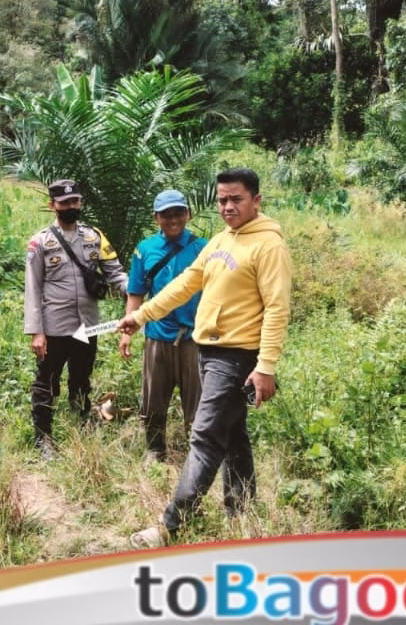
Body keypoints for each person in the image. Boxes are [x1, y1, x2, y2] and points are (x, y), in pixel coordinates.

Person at [118, 168, 292, 546]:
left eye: (236, 199)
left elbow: (277, 309)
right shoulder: (221, 240)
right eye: (222, 200)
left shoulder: (268, 246)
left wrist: (266, 366)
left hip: (237, 355)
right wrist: (141, 315)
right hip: (208, 349)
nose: (228, 207)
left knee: (205, 435)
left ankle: (171, 525)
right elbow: (185, 284)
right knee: (232, 433)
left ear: (256, 201)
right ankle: (242, 511)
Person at [24, 179, 128, 460]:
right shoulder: (40, 242)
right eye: (65, 203)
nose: (71, 207)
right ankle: (43, 438)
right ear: (52, 205)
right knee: (47, 381)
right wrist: (36, 332)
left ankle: (82, 423)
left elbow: (114, 272)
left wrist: (135, 289)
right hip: (54, 326)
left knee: (82, 377)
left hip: (87, 325)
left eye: (75, 201)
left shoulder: (94, 237)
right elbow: (33, 288)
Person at [119, 189, 207, 463]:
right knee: (154, 399)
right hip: (157, 335)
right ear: (156, 217)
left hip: (193, 336)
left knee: (197, 401)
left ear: (188, 214)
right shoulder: (145, 249)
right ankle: (155, 451)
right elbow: (136, 292)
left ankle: (197, 456)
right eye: (166, 215)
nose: (173, 220)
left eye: (178, 213)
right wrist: (127, 332)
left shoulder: (203, 248)